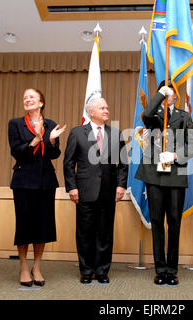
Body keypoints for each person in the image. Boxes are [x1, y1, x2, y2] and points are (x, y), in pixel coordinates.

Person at [135, 81, 193, 286]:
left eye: (171, 92)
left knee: (174, 223)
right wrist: (159, 95)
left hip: (175, 175)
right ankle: (160, 269)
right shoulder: (153, 114)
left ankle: (171, 270)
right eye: (165, 92)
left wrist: (175, 155)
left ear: (176, 95)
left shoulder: (184, 116)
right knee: (156, 223)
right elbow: (145, 116)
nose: (168, 95)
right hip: (154, 175)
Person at [63, 97, 128, 284]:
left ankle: (101, 271)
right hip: (84, 191)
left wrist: (121, 185)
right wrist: (72, 187)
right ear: (91, 112)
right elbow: (69, 163)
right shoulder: (77, 133)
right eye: (102, 108)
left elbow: (123, 164)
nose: (106, 110)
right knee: (85, 233)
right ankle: (86, 270)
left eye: (107, 107)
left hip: (108, 192)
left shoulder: (116, 134)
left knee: (105, 233)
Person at [8, 88, 66, 287]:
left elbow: (53, 154)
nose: (27, 99)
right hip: (23, 180)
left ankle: (37, 267)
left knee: (43, 225)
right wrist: (34, 141)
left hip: (45, 181)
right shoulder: (15, 124)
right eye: (25, 97)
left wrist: (50, 140)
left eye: (31, 97)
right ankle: (24, 266)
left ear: (41, 102)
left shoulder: (50, 124)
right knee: (24, 225)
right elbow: (17, 152)